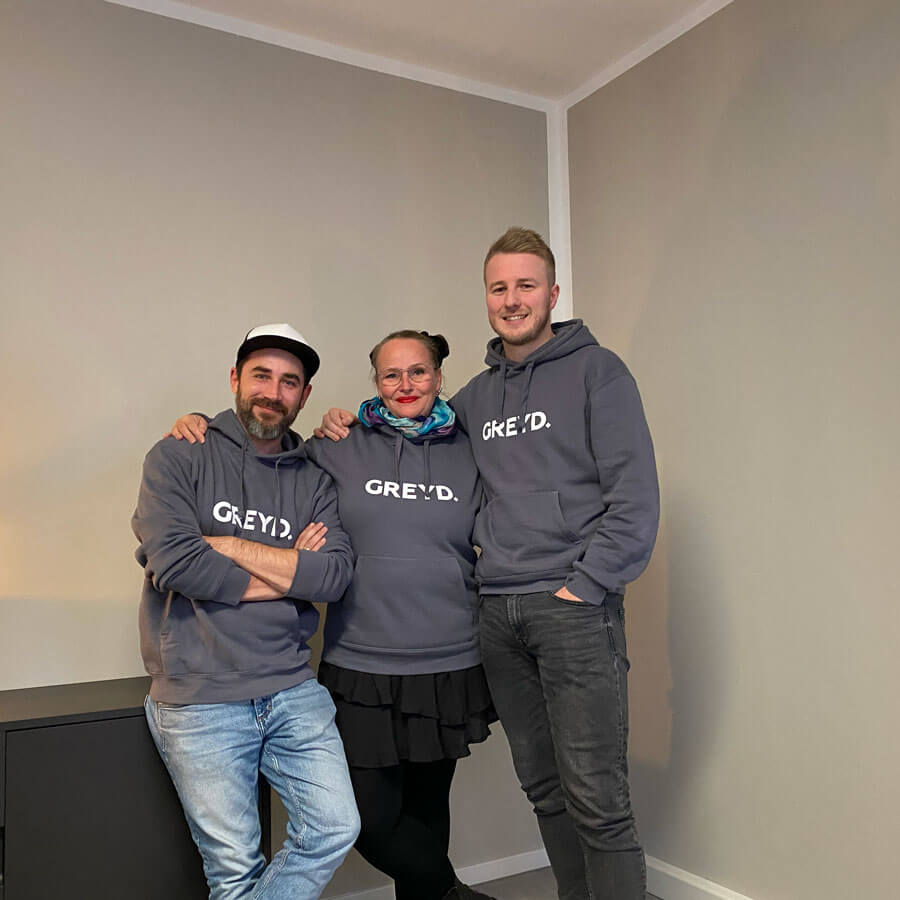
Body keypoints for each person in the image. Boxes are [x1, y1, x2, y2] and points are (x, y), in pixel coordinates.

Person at [317, 228, 660, 900]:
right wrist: (343, 423)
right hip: (495, 618)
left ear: (553, 293)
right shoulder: (474, 399)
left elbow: (636, 499)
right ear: (486, 297)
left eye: (526, 285)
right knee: (544, 788)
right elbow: (407, 429)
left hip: (571, 609)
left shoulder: (599, 372)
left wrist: (584, 588)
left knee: (595, 795)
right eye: (499, 287)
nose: (513, 299)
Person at [167, 330, 497, 900]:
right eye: (391, 374)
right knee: (366, 817)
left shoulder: (470, 449)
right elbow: (264, 443)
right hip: (361, 661)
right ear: (376, 382)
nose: (405, 385)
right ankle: (455, 894)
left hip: (450, 660)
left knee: (427, 811)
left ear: (440, 377)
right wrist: (203, 422)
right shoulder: (339, 444)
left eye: (418, 372)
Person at [133, 323, 360, 900]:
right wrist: (288, 572)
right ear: (235, 379)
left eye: (290, 382)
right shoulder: (179, 455)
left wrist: (227, 545)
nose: (273, 391)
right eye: (261, 375)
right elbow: (178, 563)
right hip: (199, 695)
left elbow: (332, 576)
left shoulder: (314, 477)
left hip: (289, 685)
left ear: (304, 396)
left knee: (335, 826)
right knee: (234, 871)